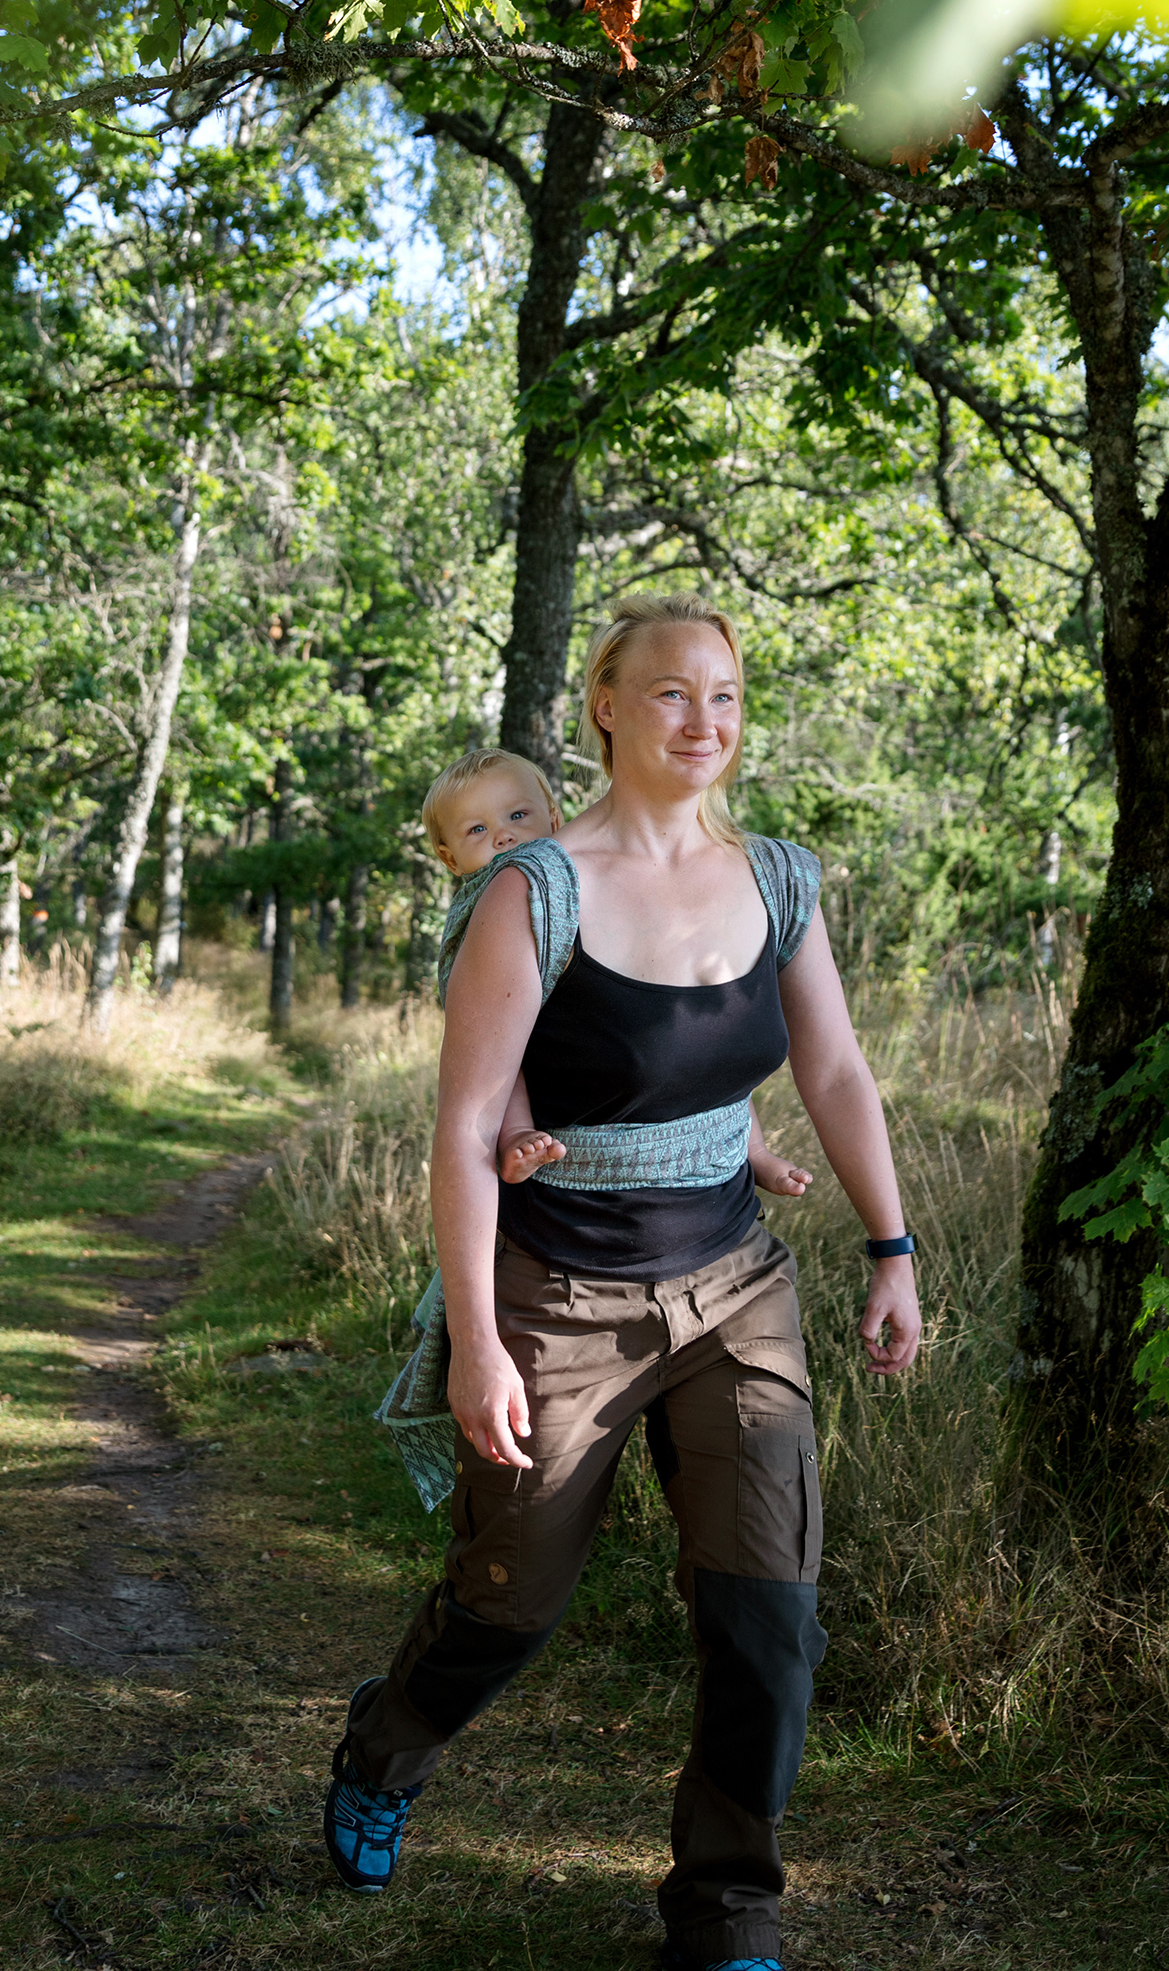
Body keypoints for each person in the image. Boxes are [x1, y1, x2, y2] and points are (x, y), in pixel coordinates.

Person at [327, 596, 925, 1971]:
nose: (700, 720)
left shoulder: (781, 879)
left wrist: (890, 1248)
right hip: (560, 1298)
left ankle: (727, 1914)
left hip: (735, 1288)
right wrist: (478, 1341)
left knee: (767, 1613)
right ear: (606, 704)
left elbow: (831, 1071)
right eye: (668, 693)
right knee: (508, 1593)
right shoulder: (535, 892)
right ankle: (385, 1744)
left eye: (721, 694)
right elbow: (473, 1131)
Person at [419, 744, 811, 1203]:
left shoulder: (568, 881)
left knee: (705, 1049)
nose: (504, 836)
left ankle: (754, 1150)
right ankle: (515, 1134)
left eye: (518, 816)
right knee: (505, 1069)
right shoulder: (489, 903)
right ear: (450, 859)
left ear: (555, 819)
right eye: (478, 829)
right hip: (516, 1027)